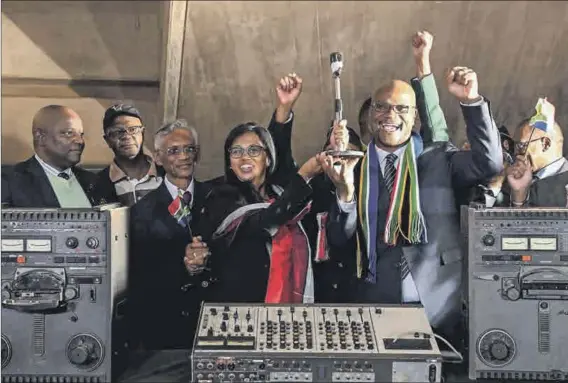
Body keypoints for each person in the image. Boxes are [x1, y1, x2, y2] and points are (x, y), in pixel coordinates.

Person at [322, 65, 502, 340]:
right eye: (382, 107)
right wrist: (345, 191)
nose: (391, 115)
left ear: (415, 115)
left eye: (402, 108)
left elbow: (489, 163)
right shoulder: (353, 167)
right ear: (371, 117)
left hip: (439, 304)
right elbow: (337, 239)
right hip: (375, 304)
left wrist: (471, 101)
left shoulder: (439, 158)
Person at [199, 122, 323, 304]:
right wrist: (304, 176)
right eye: (236, 152)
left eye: (254, 150)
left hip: (286, 303)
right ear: (230, 162)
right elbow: (265, 223)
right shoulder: (220, 196)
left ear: (268, 158)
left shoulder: (280, 194)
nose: (244, 158)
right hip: (240, 307)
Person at [128, 119, 213, 350]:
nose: (184, 156)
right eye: (174, 151)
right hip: (167, 332)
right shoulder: (141, 212)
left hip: (213, 323)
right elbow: (140, 278)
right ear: (157, 158)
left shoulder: (218, 197)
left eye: (189, 149)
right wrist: (183, 266)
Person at [2, 105, 103, 208]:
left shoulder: (94, 181)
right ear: (40, 137)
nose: (80, 141)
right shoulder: (9, 182)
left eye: (81, 134)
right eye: (68, 133)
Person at [92, 104, 163, 206]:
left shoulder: (167, 174)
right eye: (117, 132)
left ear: (142, 133)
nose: (126, 136)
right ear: (107, 140)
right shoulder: (97, 185)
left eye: (133, 129)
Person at [506, 99, 567, 207]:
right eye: (514, 146)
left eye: (521, 145)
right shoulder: (512, 183)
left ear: (545, 144)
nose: (517, 154)